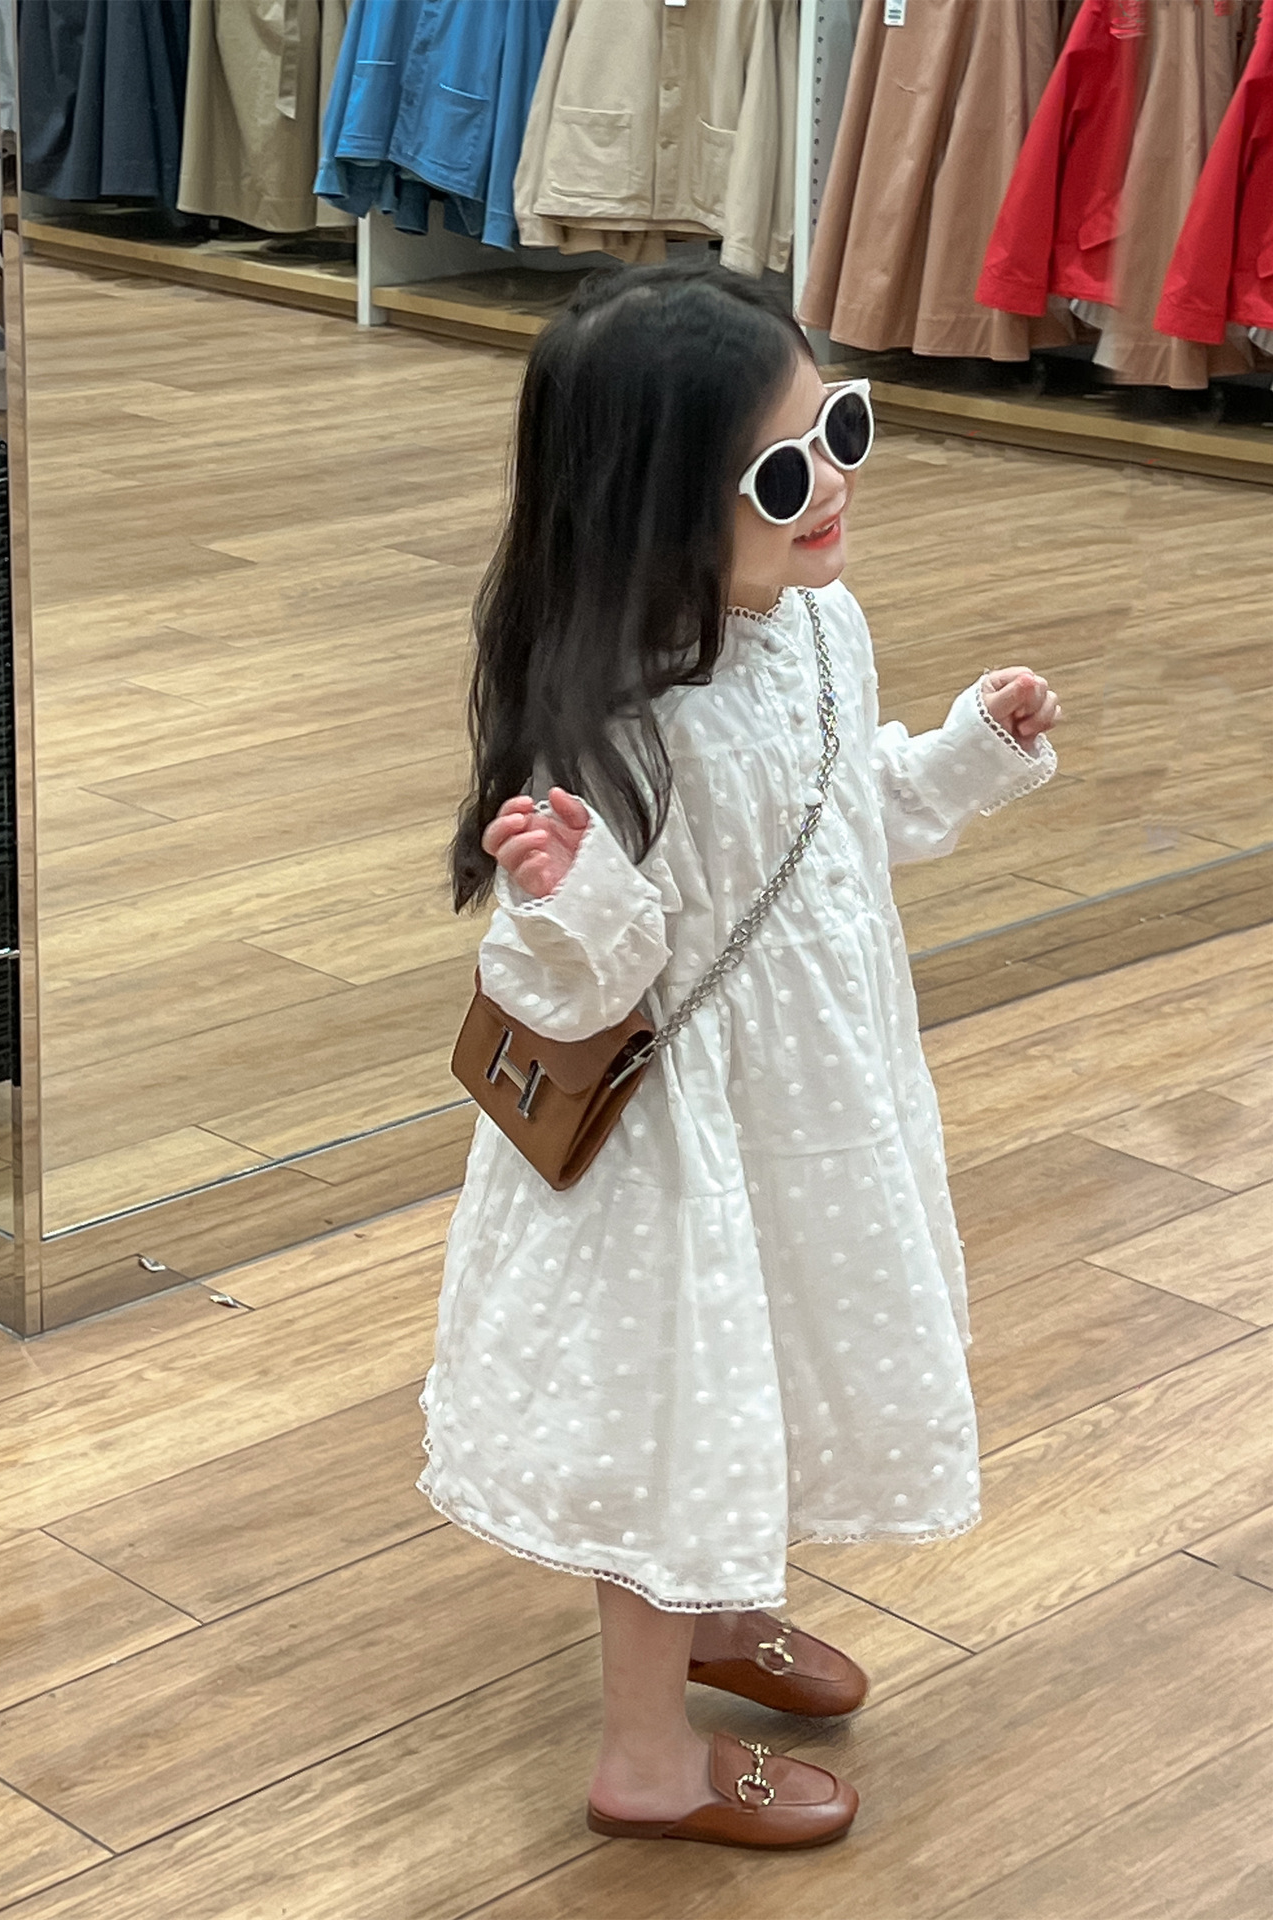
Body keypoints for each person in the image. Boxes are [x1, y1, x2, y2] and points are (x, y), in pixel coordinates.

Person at [418, 260, 1060, 1849]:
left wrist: (969, 753)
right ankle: (648, 1758)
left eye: (843, 429)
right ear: (651, 508)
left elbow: (854, 819)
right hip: (680, 1155)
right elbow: (584, 984)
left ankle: (718, 1617)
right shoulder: (616, 721)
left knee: (758, 1376)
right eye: (782, 473)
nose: (830, 481)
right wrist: (565, 895)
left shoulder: (823, 625)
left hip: (816, 1109)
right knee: (678, 1417)